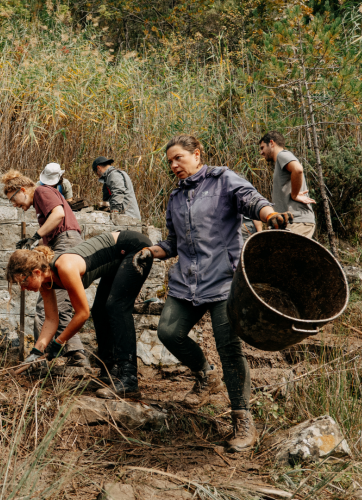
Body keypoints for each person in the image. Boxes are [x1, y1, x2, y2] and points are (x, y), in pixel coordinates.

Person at [135, 134, 293, 452]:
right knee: (168, 332)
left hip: (224, 281)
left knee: (229, 349)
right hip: (187, 281)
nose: (173, 165)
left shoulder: (223, 180)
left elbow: (251, 200)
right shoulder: (176, 198)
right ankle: (205, 375)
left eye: (178, 158)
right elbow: (173, 242)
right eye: (169, 162)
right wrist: (152, 250)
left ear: (197, 155)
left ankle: (243, 421)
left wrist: (270, 215)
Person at [7, 230, 153, 397]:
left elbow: (82, 314)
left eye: (23, 282)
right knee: (100, 311)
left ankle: (129, 379)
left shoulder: (65, 267)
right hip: (117, 259)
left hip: (133, 247)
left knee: (116, 307)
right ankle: (108, 374)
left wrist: (59, 342)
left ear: (37, 272)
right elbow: (51, 320)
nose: (23, 288)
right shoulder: (46, 283)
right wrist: (36, 352)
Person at [1, 169, 90, 369]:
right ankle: (75, 355)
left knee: (47, 306)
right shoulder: (41, 200)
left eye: (13, 199)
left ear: (22, 189)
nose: (15, 205)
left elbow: (58, 214)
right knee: (62, 302)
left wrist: (35, 236)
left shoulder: (41, 191)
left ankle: (45, 358)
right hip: (62, 242)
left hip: (65, 243)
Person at [259, 131, 316, 238]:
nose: (261, 152)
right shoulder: (281, 161)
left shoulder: (282, 155)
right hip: (291, 222)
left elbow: (298, 169)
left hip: (297, 220)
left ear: (272, 143)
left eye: (262, 148)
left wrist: (295, 195)